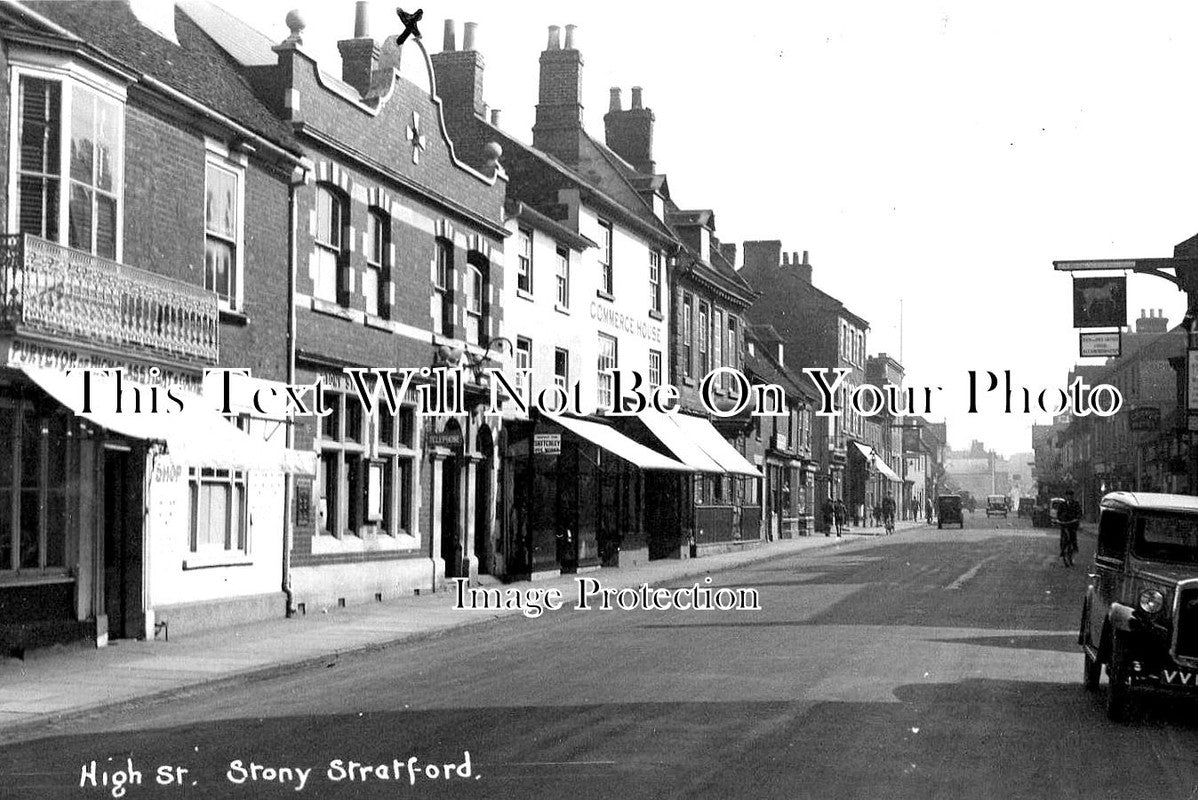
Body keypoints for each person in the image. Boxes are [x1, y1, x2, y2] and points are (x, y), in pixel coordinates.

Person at [1057, 489, 1083, 567]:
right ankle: (1062, 551)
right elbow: (1059, 514)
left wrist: (1077, 519)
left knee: (1073, 538)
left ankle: (1074, 549)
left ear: (1072, 496)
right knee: (1063, 538)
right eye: (1067, 496)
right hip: (1064, 524)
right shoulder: (1062, 505)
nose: (1069, 497)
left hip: (1072, 524)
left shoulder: (1076, 504)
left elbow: (1079, 513)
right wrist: (1059, 520)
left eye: (1070, 496)